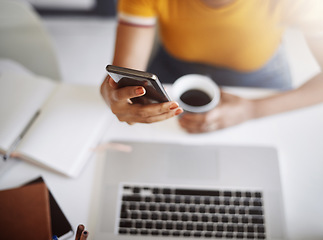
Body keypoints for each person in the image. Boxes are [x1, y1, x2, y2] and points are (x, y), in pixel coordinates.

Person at [101, 0, 323, 133]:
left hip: (260, 77)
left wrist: (253, 109)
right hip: (174, 68)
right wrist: (115, 96)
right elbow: (118, 78)